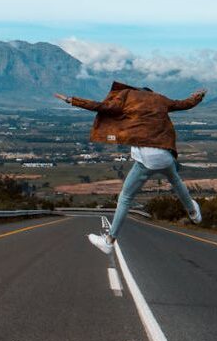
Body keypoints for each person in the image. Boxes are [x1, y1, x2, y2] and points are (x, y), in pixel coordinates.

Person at [54, 81, 207, 254]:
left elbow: (99, 106)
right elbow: (184, 104)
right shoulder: (159, 99)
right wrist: (198, 97)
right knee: (175, 180)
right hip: (165, 155)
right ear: (151, 92)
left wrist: (70, 99)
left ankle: (109, 241)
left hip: (146, 159)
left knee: (125, 197)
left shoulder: (128, 97)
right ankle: (194, 213)